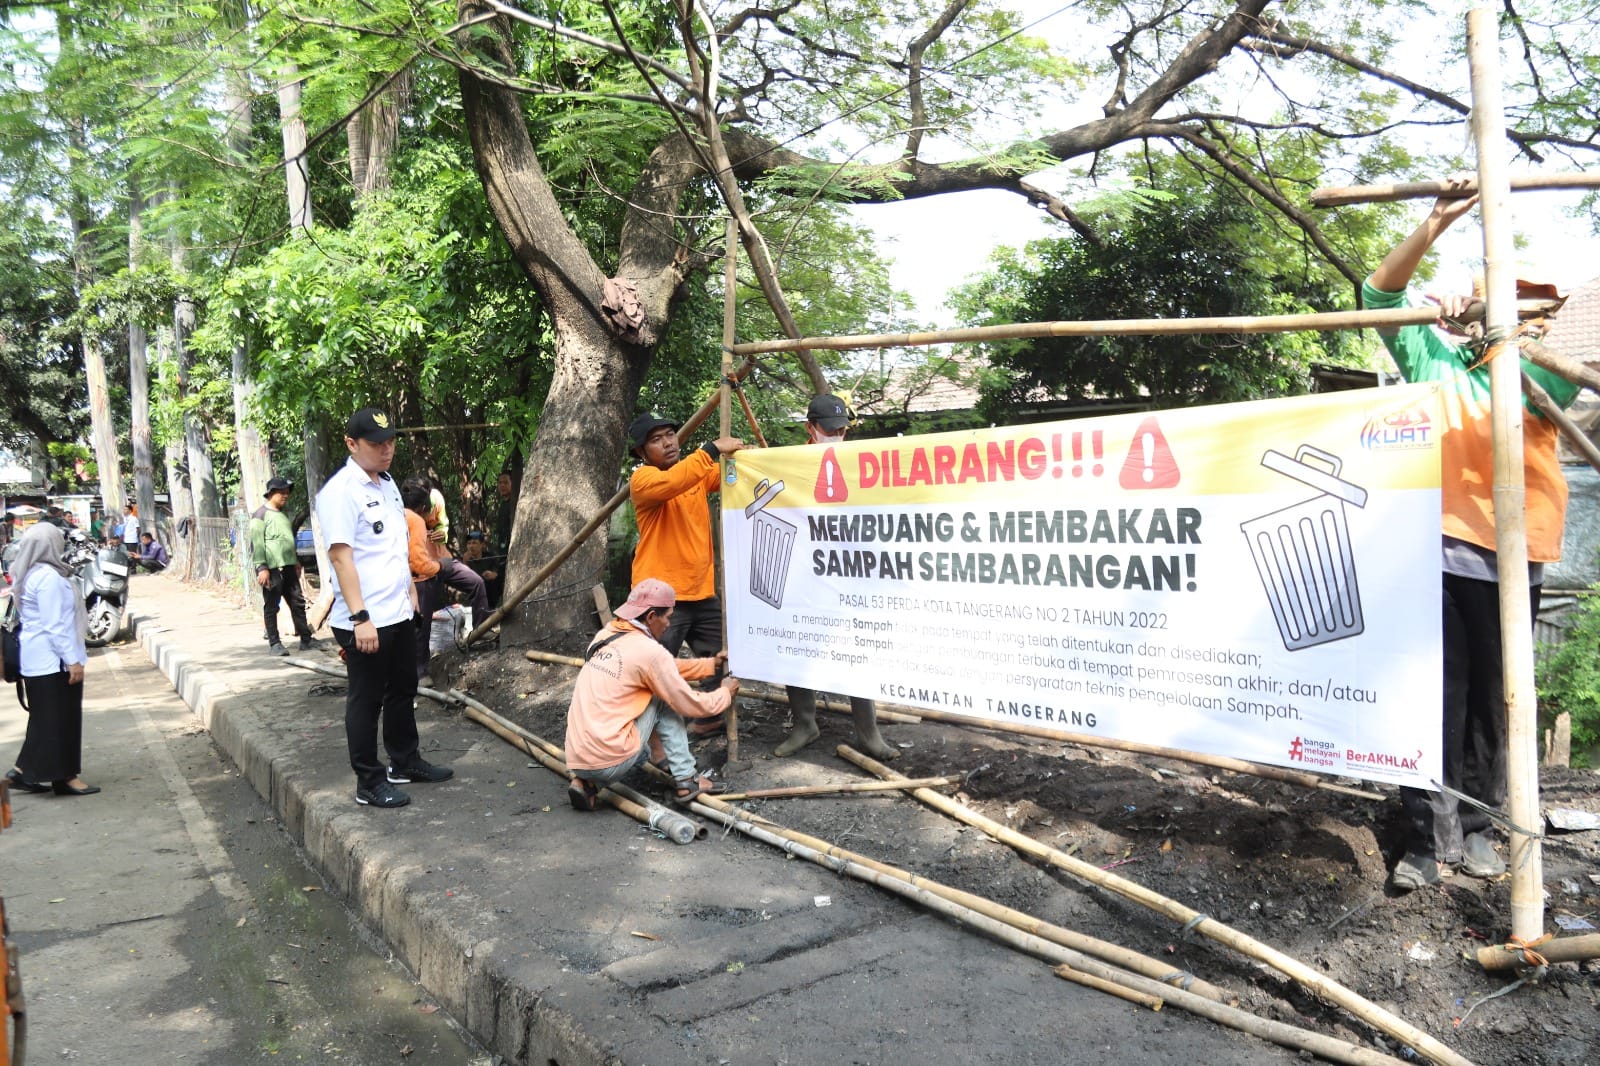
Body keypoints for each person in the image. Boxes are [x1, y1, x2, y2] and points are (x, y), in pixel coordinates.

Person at [1364, 184, 1580, 892]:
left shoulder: (1542, 372)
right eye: (1513, 298)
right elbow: (1379, 292)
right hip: (1439, 553)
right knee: (1432, 697)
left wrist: (1497, 328)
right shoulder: (1436, 366)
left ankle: (1482, 830)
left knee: (1497, 703)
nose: (1533, 313)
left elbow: (1532, 360)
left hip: (1517, 559)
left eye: (1534, 304)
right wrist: (1432, 226)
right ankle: (1425, 839)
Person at [315, 407, 452, 808]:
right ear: (351, 444)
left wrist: (410, 588)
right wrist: (360, 618)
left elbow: (394, 547)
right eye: (376, 444)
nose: (386, 449)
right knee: (367, 698)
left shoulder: (388, 484)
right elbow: (342, 558)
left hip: (397, 611)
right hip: (365, 619)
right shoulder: (340, 493)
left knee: (403, 689)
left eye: (390, 441)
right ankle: (369, 782)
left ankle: (404, 761)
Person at [775, 394, 899, 761]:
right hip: (801, 571)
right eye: (830, 431)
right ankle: (804, 723)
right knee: (796, 643)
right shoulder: (789, 464)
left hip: (847, 572)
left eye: (842, 431)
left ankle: (868, 732)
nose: (837, 437)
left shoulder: (859, 465)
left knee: (856, 647)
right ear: (810, 429)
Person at [564, 578, 739, 810]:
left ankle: (587, 784)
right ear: (651, 616)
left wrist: (710, 666)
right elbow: (690, 705)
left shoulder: (605, 636)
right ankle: (687, 778)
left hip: (576, 757)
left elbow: (661, 669)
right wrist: (725, 693)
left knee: (650, 694)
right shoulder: (650, 652)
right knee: (661, 698)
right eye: (667, 617)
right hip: (610, 759)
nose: (669, 624)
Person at [627, 413, 744, 731]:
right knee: (651, 667)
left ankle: (707, 718)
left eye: (670, 435)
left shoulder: (695, 476)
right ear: (641, 452)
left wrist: (742, 459)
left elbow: (732, 479)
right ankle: (640, 733)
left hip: (700, 591)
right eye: (656, 440)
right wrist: (710, 449)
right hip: (659, 599)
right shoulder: (644, 481)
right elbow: (676, 480)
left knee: (725, 653)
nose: (668, 442)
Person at [4, 523, 99, 797]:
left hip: (37, 660)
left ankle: (24, 772)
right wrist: (73, 661)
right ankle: (66, 778)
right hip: (53, 660)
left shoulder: (30, 574)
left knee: (44, 721)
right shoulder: (48, 578)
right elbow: (56, 625)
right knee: (62, 721)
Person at [251, 476, 316, 655]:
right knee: (272, 606)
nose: (286, 496)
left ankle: (306, 639)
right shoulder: (260, 516)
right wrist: (261, 567)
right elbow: (257, 545)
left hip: (288, 567)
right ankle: (274, 643)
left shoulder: (282, 515)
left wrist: (295, 561)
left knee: (297, 602)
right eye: (282, 492)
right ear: (271, 493)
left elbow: (287, 541)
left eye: (287, 493)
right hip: (272, 569)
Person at [401, 476, 443, 680]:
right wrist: (438, 567)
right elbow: (419, 562)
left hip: (396, 581)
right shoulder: (416, 521)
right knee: (421, 628)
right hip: (417, 582)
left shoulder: (393, 514)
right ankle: (420, 672)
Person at [460, 530, 503, 607]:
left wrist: (493, 575)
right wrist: (465, 563)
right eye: (469, 543)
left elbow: (497, 572)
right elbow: (463, 581)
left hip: (491, 596)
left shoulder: (490, 557)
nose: (471, 546)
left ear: (482, 545)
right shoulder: (465, 560)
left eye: (474, 543)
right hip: (473, 598)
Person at [494, 471, 516, 551]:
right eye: (500, 483)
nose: (502, 485)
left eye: (506, 482)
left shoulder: (515, 503)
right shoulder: (503, 503)